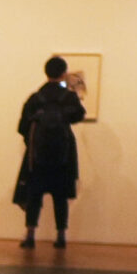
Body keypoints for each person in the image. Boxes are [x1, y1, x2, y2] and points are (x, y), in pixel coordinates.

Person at [15, 55, 85, 249]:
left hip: (37, 157)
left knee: (34, 195)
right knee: (60, 196)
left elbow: (22, 126)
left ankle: (30, 235)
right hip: (62, 157)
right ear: (63, 73)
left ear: (46, 73)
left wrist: (33, 141)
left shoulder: (36, 98)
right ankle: (61, 235)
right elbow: (79, 115)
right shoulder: (68, 97)